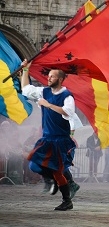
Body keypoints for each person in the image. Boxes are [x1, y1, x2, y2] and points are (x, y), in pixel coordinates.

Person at [20, 61, 80, 211]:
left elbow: (68, 112)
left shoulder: (67, 96)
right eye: (49, 76)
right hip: (47, 138)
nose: (48, 78)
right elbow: (26, 89)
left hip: (60, 139)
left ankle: (67, 200)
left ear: (60, 79)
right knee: (34, 164)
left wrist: (48, 105)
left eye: (52, 76)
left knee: (57, 170)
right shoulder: (44, 92)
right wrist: (25, 69)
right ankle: (57, 181)